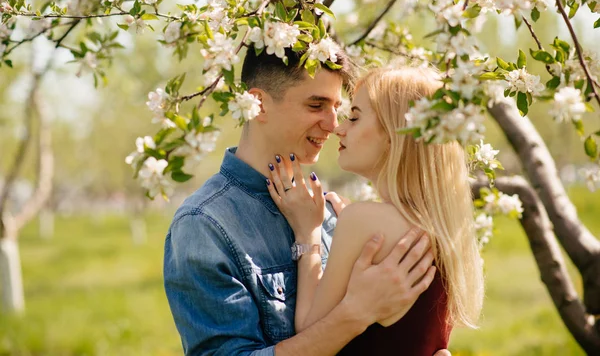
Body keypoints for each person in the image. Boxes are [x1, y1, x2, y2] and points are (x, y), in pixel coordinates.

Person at [163, 49, 451, 355]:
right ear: (258, 104)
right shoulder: (205, 224)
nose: (333, 124)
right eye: (316, 105)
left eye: (340, 109)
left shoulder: (332, 213)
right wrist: (355, 313)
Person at [266, 66, 485, 355]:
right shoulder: (443, 228)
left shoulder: (364, 222)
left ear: (395, 135)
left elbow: (309, 330)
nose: (339, 128)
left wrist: (309, 232)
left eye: (355, 117)